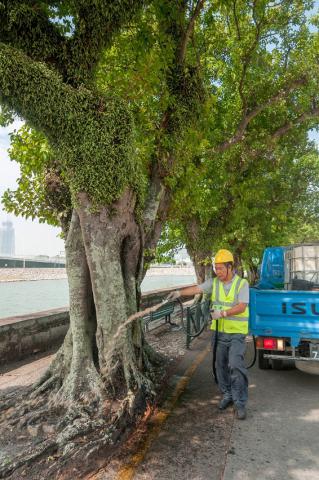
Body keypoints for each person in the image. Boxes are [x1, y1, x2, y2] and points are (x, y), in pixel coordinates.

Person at [167, 249, 249, 420]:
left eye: (220, 268)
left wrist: (223, 314)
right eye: (215, 268)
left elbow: (242, 306)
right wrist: (179, 293)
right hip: (219, 332)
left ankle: (240, 402)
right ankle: (227, 394)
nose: (217, 272)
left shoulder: (242, 284)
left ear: (230, 266)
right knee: (219, 366)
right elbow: (197, 288)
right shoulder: (214, 283)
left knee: (235, 365)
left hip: (236, 333)